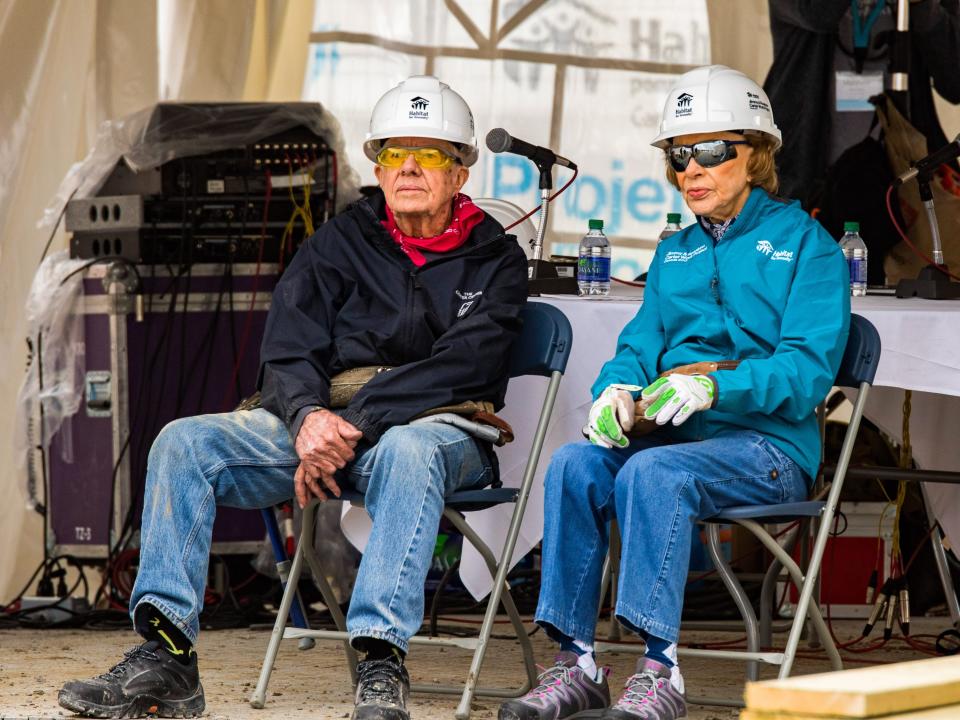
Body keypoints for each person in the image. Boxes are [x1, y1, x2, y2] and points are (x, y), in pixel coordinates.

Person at [58, 75, 527, 720]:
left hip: (441, 429)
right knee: (185, 443)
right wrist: (308, 420)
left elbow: (465, 366)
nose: (409, 168)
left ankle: (381, 662)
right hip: (328, 420)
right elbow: (288, 348)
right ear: (376, 164)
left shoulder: (497, 257)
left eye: (431, 153)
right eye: (394, 153)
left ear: (461, 170)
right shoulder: (339, 241)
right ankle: (167, 656)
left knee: (413, 449)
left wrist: (349, 424)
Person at [499, 65, 850, 720]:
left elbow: (805, 375)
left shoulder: (810, 247)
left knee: (654, 472)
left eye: (712, 150)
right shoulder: (675, 252)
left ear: (758, 153)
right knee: (574, 463)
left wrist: (718, 388)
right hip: (676, 441)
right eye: (679, 153)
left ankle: (660, 673)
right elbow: (637, 346)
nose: (692, 167)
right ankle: (576, 662)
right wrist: (614, 390)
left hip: (770, 451)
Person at [764, 0, 960, 205]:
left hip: (900, 181)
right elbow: (818, 15)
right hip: (808, 178)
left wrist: (924, 7)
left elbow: (954, 83)